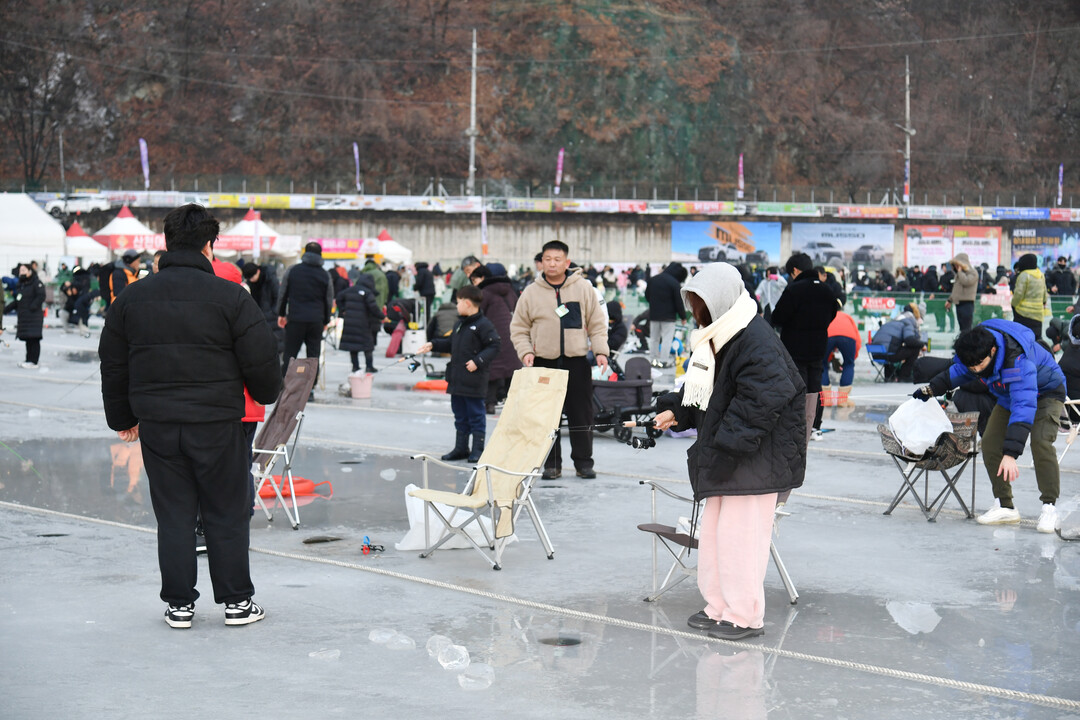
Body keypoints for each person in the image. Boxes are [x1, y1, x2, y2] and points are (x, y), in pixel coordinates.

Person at [98, 203, 281, 628]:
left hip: (159, 425)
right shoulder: (231, 297)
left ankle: (179, 604)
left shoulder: (132, 298)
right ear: (209, 245)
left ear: (166, 242)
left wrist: (122, 417)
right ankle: (236, 602)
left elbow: (114, 362)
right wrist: (265, 393)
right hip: (218, 424)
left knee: (175, 513)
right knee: (226, 510)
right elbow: (262, 360)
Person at [652, 262, 806, 640]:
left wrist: (723, 449)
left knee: (741, 539)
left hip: (756, 459)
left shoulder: (755, 339)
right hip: (729, 454)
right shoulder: (719, 334)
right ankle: (718, 606)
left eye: (699, 304)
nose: (694, 312)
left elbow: (762, 401)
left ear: (718, 301)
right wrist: (676, 408)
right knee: (717, 534)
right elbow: (702, 390)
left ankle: (744, 615)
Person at [913, 320, 1064, 533]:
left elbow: (1023, 405)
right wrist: (930, 390)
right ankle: (1005, 505)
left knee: (1041, 442)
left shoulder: (1016, 361)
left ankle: (1049, 507)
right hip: (1009, 395)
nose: (975, 370)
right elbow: (956, 373)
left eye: (979, 365)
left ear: (993, 350)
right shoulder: (977, 355)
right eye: (971, 366)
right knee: (991, 443)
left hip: (1046, 392)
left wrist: (1011, 454)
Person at [509, 240, 609, 479]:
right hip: (544, 362)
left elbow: (597, 324)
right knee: (546, 418)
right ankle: (551, 465)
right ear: (541, 262)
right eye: (547, 259)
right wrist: (526, 352)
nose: (552, 264)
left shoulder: (583, 288)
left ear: (566, 262)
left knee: (581, 415)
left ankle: (584, 463)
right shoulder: (531, 293)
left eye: (557, 259)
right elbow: (519, 328)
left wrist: (601, 351)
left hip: (577, 362)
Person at [417, 284, 501, 463]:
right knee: (460, 414)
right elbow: (451, 343)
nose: (457, 306)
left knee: (476, 415)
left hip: (474, 380)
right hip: (457, 379)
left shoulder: (483, 325)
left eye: (458, 302)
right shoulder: (459, 324)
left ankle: (478, 449)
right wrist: (433, 344)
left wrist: (478, 361)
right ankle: (461, 447)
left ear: (468, 303)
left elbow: (494, 345)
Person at [769, 253, 838, 440]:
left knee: (796, 387)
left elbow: (778, 318)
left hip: (794, 349)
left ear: (795, 271)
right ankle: (813, 426)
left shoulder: (794, 290)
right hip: (818, 348)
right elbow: (833, 314)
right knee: (815, 388)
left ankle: (794, 429)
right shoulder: (827, 291)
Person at [277, 242, 333, 394]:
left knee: (290, 353)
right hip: (316, 320)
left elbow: (283, 294)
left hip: (295, 319)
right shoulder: (325, 274)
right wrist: (326, 320)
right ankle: (310, 388)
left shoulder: (293, 270)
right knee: (313, 355)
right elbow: (328, 300)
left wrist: (281, 314)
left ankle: (285, 385)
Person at [470, 264, 522, 413]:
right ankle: (512, 404)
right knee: (511, 370)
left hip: (492, 336)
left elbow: (478, 316)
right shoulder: (511, 291)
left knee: (492, 370)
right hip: (511, 335)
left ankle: (490, 403)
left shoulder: (484, 293)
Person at [335, 273, 384, 373]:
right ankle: (369, 366)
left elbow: (338, 298)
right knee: (368, 346)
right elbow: (373, 308)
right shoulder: (367, 292)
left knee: (353, 345)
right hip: (363, 322)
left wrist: (343, 309)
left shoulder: (350, 290)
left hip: (350, 322)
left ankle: (355, 366)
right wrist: (382, 317)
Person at [644, 262, 688, 368]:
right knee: (666, 339)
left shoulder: (653, 280)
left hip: (654, 315)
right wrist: (683, 316)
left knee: (654, 338)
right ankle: (663, 361)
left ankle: (653, 360)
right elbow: (679, 302)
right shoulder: (674, 283)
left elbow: (647, 296)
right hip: (669, 317)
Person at [870, 303, 925, 382]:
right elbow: (909, 340)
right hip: (888, 354)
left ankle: (889, 375)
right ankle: (904, 375)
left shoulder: (893, 321)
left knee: (890, 348)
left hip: (875, 354)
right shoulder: (908, 321)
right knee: (915, 349)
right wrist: (922, 344)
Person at [5, 263, 46, 368]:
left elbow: (41, 295)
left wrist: (33, 306)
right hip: (25, 317)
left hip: (34, 316)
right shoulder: (21, 285)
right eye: (20, 271)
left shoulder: (36, 283)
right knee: (28, 339)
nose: (21, 273)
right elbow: (17, 301)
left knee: (34, 339)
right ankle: (29, 360)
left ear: (30, 271)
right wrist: (5, 310)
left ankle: (34, 361)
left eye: (24, 270)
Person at [241, 261, 282, 356]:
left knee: (276, 348)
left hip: (273, 319)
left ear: (258, 271)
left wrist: (273, 312)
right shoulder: (250, 284)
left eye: (252, 277)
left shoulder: (270, 279)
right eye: (249, 278)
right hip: (258, 319)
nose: (251, 280)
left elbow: (278, 297)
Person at [1011, 253, 1049, 341]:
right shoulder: (1041, 275)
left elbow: (1019, 294)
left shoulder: (1024, 275)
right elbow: (1044, 295)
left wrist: (1013, 304)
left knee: (1021, 339)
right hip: (1038, 314)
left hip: (1023, 313)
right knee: (1036, 339)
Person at [944, 252, 978, 333]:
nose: (956, 267)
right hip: (958, 303)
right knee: (962, 327)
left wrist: (960, 272)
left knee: (967, 327)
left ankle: (966, 343)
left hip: (967, 303)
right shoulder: (959, 275)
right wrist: (950, 300)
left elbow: (966, 282)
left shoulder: (973, 273)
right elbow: (956, 290)